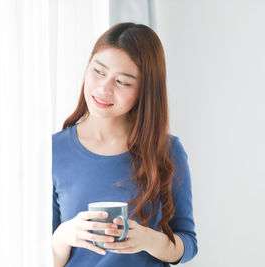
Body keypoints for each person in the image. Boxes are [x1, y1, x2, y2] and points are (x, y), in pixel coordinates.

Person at [51, 22, 198, 267]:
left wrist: (149, 240)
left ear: (144, 91)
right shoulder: (54, 151)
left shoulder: (167, 151)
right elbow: (40, 255)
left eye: (123, 82)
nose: (103, 89)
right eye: (98, 71)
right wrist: (64, 236)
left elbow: (188, 243)